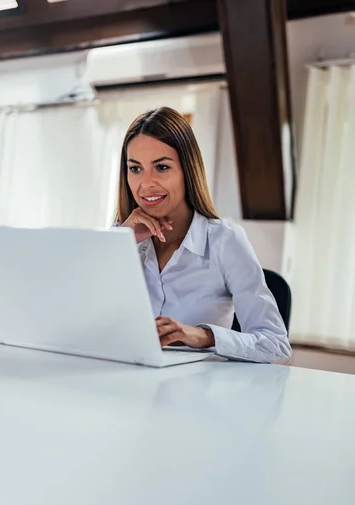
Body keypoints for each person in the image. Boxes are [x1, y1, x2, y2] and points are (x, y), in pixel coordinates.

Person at [115, 106, 291, 364]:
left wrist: (204, 336)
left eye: (161, 167)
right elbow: (73, 322)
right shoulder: (120, 239)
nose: (146, 184)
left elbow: (276, 346)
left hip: (197, 397)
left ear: (187, 170)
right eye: (135, 168)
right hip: (123, 389)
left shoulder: (225, 241)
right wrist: (121, 240)